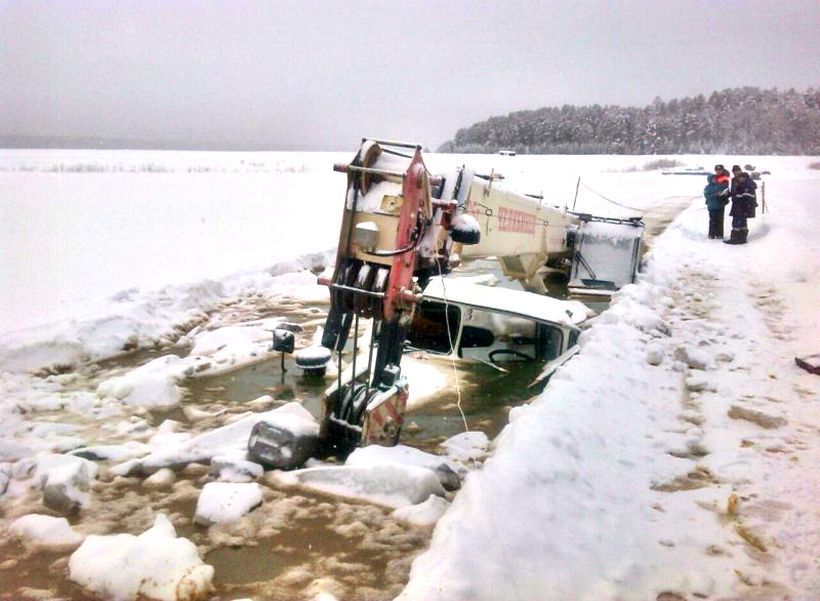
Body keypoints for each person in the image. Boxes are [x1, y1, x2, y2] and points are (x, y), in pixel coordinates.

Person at [724, 164, 758, 245]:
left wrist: (742, 195)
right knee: (740, 220)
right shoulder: (734, 180)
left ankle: (736, 238)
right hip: (736, 203)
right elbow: (734, 191)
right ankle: (741, 238)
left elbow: (751, 189)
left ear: (740, 170)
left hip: (744, 204)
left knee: (738, 221)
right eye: (734, 171)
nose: (736, 173)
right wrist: (728, 194)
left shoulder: (747, 179)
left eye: (737, 171)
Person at [704, 165, 730, 239]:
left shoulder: (722, 182)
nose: (714, 180)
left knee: (720, 220)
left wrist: (724, 194)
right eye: (717, 170)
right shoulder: (708, 187)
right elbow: (706, 195)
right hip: (712, 205)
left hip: (720, 204)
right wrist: (715, 195)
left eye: (720, 170)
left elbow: (725, 189)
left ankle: (719, 234)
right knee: (712, 220)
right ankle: (711, 234)